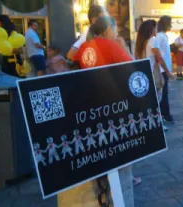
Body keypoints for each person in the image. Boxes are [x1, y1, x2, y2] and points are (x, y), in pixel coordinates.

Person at [66, 16, 135, 207]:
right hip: (111, 103)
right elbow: (131, 68)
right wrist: (124, 47)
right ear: (108, 29)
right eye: (115, 29)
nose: (117, 33)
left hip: (89, 104)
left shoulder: (84, 47)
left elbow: (72, 61)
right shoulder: (111, 45)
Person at [135, 20, 168, 132]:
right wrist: (168, 72)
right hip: (153, 72)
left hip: (144, 73)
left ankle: (150, 122)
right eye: (155, 28)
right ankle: (158, 124)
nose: (157, 30)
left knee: (149, 99)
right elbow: (159, 58)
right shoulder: (153, 41)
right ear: (151, 29)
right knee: (157, 99)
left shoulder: (142, 42)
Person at [152, 15, 175, 123]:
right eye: (170, 23)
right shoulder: (160, 36)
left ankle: (164, 114)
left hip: (163, 69)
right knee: (163, 93)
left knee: (164, 93)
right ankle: (165, 115)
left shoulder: (162, 36)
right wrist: (167, 71)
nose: (171, 25)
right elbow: (159, 55)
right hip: (162, 70)